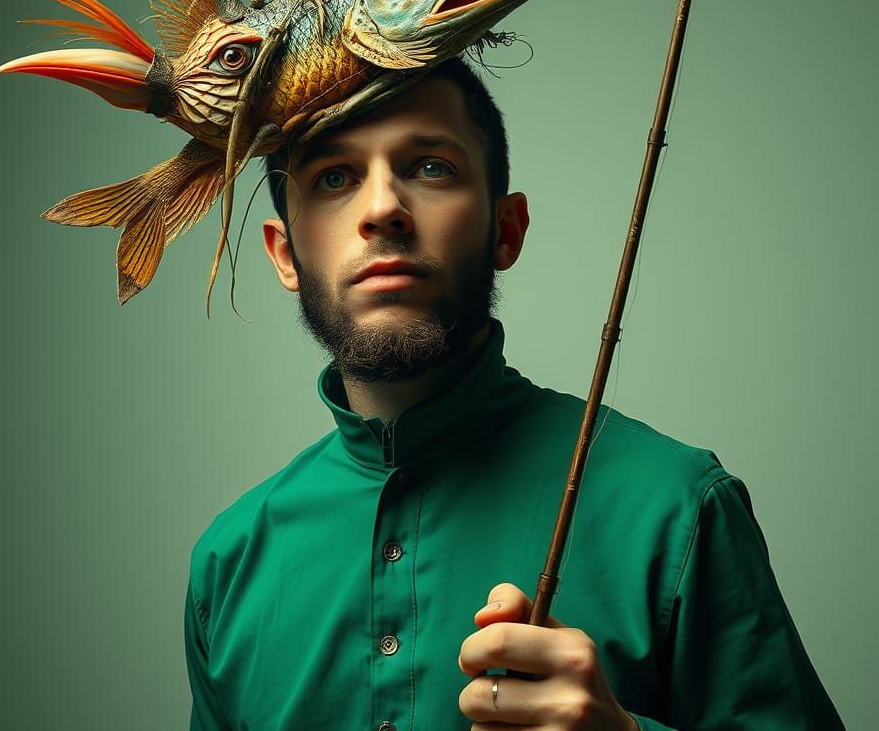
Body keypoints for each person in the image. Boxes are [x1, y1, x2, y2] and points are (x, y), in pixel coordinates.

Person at [183, 58, 843, 730]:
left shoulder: (680, 509)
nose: (382, 210)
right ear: (285, 254)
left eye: (430, 167)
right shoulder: (227, 566)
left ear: (506, 229)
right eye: (333, 177)